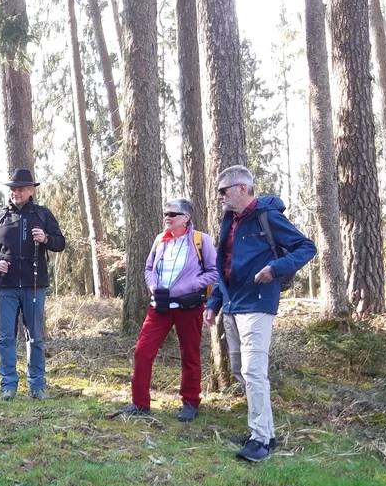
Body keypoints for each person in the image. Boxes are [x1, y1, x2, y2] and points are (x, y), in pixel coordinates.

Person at [203, 165, 316, 463]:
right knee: (240, 370)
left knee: (253, 372)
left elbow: (306, 247)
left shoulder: (268, 216)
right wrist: (214, 302)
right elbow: (225, 266)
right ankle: (266, 433)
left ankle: (260, 440)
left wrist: (275, 269)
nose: (219, 196)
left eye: (223, 191)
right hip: (232, 305)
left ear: (242, 189)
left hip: (257, 305)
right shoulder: (230, 220)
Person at [119, 199, 218, 422]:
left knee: (190, 355)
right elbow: (148, 268)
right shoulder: (160, 240)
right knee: (142, 351)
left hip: (189, 307)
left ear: (186, 217)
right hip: (160, 306)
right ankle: (140, 403)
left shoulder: (200, 240)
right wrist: (153, 286)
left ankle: (190, 402)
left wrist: (191, 285)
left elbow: (214, 272)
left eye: (173, 214)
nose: (167, 217)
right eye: (165, 213)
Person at [0, 168, 66, 400]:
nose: (15, 193)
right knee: (5, 337)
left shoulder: (42, 214)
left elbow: (60, 243)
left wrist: (46, 239)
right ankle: (8, 386)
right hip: (6, 285)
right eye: (13, 189)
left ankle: (37, 386)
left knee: (35, 337)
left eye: (20, 189)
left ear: (30, 191)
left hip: (34, 284)